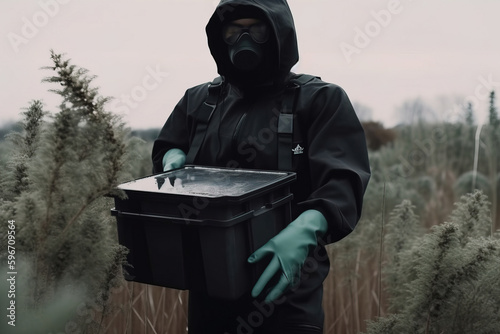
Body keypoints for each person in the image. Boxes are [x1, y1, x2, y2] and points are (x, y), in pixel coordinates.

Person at [152, 0, 371, 333]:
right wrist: (170, 159)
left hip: (288, 287)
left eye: (255, 28)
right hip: (209, 283)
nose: (244, 39)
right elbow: (170, 146)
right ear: (219, 37)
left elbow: (343, 181)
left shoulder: (319, 100)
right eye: (233, 30)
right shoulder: (199, 101)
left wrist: (308, 226)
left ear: (278, 32)